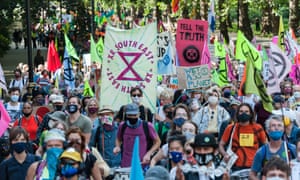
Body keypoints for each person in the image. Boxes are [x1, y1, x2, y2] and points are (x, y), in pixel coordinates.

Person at [219, 103, 267, 171]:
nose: (243, 113)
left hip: (254, 167)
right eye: (241, 111)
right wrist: (225, 154)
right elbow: (221, 144)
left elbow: (266, 145)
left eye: (246, 111)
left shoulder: (258, 128)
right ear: (237, 113)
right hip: (234, 166)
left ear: (251, 114)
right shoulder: (231, 128)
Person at [249, 115, 297, 180]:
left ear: (283, 130)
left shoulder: (291, 148)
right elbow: (252, 175)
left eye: (279, 125)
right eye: (273, 125)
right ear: (268, 130)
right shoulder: (261, 152)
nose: (276, 128)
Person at [113, 103, 161, 167]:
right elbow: (118, 138)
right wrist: (117, 146)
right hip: (126, 164)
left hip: (142, 163)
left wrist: (149, 153)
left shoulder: (147, 126)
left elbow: (157, 142)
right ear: (126, 115)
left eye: (134, 115)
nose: (132, 117)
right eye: (130, 115)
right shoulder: (123, 126)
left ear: (139, 114)